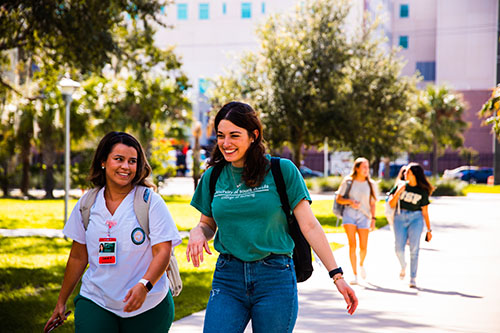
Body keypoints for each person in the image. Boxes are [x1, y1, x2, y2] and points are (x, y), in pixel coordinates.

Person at [186, 102, 357, 333]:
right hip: (228, 277)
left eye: (234, 135)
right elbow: (207, 225)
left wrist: (337, 276)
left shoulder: (281, 170)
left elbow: (310, 226)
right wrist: (198, 232)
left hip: (274, 277)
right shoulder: (213, 176)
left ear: (253, 135)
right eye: (221, 136)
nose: (226, 143)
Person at [44, 132, 181, 332]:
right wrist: (61, 302)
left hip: (149, 303)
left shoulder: (149, 201)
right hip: (97, 300)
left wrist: (144, 286)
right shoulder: (87, 203)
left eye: (132, 161)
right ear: (103, 162)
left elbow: (163, 252)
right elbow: (77, 257)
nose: (126, 166)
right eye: (119, 159)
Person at [388, 162, 433, 288]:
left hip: (416, 218)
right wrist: (398, 192)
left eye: (408, 172)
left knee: (414, 248)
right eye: (405, 172)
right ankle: (403, 266)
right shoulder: (400, 185)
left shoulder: (422, 190)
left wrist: (429, 230)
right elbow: (391, 204)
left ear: (415, 174)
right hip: (399, 217)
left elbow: (425, 211)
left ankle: (412, 277)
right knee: (398, 248)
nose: (405, 174)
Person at [336, 157, 378, 284]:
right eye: (364, 167)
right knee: (352, 244)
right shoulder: (348, 182)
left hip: (364, 216)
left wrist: (373, 219)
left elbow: (373, 203)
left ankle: (361, 264)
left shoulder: (371, 184)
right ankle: (354, 274)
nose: (366, 169)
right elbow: (339, 198)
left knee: (363, 247)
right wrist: (350, 201)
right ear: (357, 168)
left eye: (367, 166)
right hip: (349, 214)